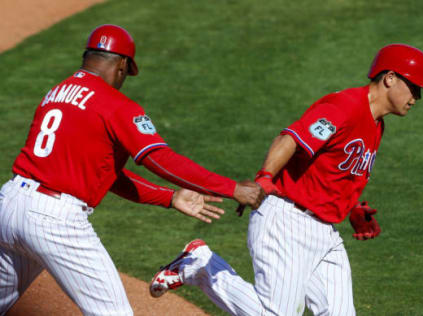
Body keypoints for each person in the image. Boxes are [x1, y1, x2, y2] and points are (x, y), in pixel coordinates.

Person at [149, 43, 423, 315]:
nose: (417, 97)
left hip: (325, 234)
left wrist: (352, 208)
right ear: (390, 78)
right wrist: (264, 177)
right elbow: (291, 139)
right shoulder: (345, 107)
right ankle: (199, 265)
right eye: (414, 87)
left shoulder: (377, 125)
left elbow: (339, 172)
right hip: (287, 221)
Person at [0, 24, 264, 316]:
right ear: (123, 64)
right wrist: (232, 188)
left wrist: (169, 197)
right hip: (54, 220)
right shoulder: (115, 104)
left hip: (9, 205)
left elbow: (105, 174)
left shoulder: (56, 93)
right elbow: (160, 159)